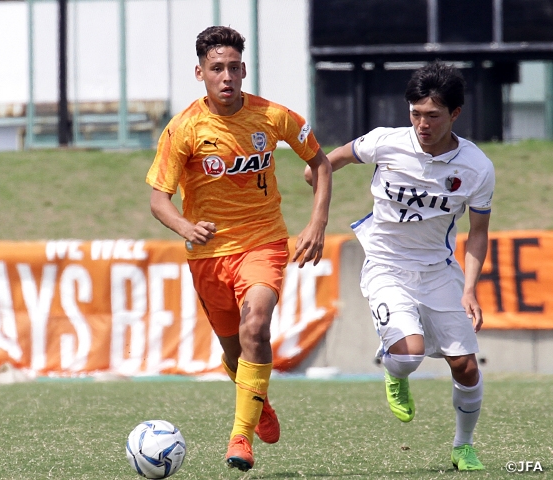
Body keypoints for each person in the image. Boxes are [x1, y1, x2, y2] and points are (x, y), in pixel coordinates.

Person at [146, 26, 332, 472]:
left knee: (257, 326)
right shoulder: (184, 129)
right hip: (208, 254)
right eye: (216, 69)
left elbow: (320, 163)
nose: (226, 76)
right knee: (234, 353)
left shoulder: (272, 116)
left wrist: (317, 223)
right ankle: (259, 401)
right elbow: (158, 200)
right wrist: (185, 226)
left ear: (244, 69)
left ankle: (240, 437)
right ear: (200, 73)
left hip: (263, 242)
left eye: (233, 67)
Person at [306, 61, 494, 471]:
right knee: (407, 356)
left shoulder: (476, 167)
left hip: (440, 271)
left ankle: (463, 446)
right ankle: (396, 373)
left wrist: (469, 289)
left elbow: (478, 232)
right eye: (415, 113)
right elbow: (332, 158)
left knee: (464, 366)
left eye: (432, 115)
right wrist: (315, 173)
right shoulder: (385, 142)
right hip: (386, 265)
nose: (422, 124)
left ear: (455, 114)